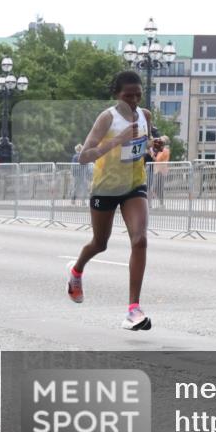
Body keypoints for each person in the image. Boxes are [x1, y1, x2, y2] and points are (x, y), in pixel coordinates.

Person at [66, 70, 164, 330]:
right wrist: (117, 141)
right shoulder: (106, 118)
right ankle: (76, 271)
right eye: (127, 95)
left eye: (137, 95)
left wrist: (156, 144)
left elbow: (147, 142)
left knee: (140, 240)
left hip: (134, 185)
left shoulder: (145, 115)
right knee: (100, 244)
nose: (133, 100)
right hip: (106, 188)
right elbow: (85, 156)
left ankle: (133, 310)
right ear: (116, 94)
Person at [149, 135, 170, 208]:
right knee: (159, 189)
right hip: (158, 170)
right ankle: (161, 204)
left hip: (160, 171)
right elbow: (156, 159)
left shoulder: (165, 150)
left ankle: (149, 204)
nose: (159, 141)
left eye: (161, 140)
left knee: (154, 188)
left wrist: (152, 153)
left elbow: (158, 159)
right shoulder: (160, 150)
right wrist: (152, 153)